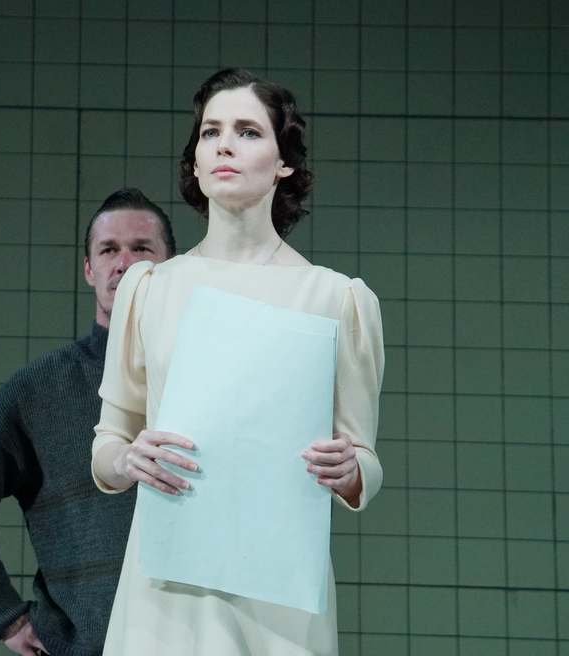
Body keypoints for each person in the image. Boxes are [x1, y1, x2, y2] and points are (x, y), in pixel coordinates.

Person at [91, 69, 385, 655]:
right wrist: (127, 457)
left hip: (279, 593)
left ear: (284, 164)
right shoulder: (150, 288)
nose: (224, 145)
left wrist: (349, 469)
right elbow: (108, 444)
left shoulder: (337, 297)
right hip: (165, 590)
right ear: (196, 163)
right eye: (211, 132)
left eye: (248, 132)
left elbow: (365, 462)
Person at [0, 188, 177, 656]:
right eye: (108, 250)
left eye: (141, 249)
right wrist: (2, 613)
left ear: (171, 268)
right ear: (89, 269)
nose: (124, 264)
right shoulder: (38, 390)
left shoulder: (209, 379)